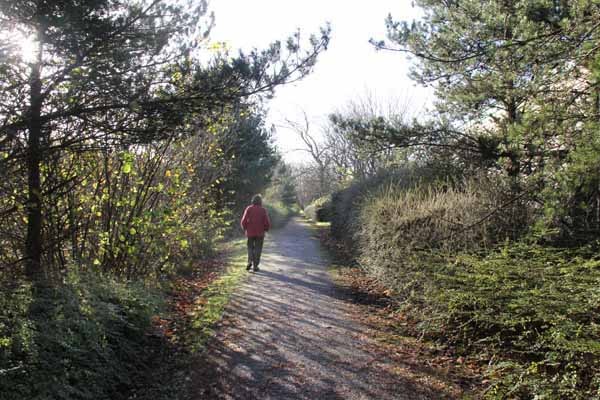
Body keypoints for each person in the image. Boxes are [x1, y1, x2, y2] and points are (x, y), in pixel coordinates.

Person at [240, 194, 271, 272]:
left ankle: (249, 261)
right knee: (258, 249)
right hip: (260, 233)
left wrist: (244, 228)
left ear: (253, 201)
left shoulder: (249, 208)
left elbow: (243, 220)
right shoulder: (263, 210)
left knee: (250, 248)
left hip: (250, 232)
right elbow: (266, 221)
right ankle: (255, 266)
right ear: (260, 201)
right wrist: (266, 228)